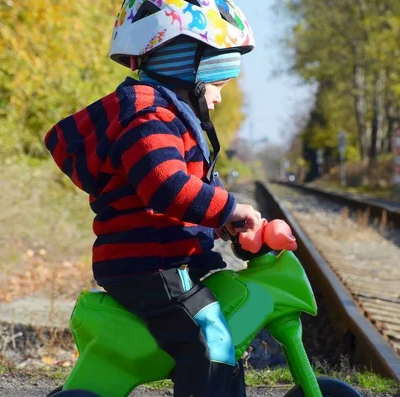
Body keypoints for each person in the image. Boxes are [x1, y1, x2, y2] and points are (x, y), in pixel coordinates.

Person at [44, 0, 260, 395]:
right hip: (150, 265)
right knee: (209, 341)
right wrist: (228, 207)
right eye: (217, 85)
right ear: (186, 69)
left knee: (217, 335)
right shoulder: (148, 117)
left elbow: (190, 185)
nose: (218, 99)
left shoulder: (165, 113)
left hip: (159, 261)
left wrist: (222, 218)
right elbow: (166, 186)